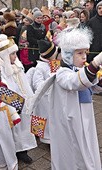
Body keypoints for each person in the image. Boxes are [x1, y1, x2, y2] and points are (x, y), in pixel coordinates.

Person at [32, 28, 102, 169]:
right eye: (79, 53)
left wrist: (99, 81)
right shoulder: (63, 73)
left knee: (87, 147)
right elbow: (75, 82)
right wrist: (95, 64)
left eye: (85, 53)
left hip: (84, 117)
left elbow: (91, 87)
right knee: (74, 154)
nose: (84, 57)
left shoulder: (76, 69)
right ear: (68, 54)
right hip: (71, 122)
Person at [0, 34, 37, 164]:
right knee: (15, 130)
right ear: (4, 56)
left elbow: (24, 83)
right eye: (12, 54)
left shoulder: (17, 66)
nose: (15, 56)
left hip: (24, 103)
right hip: (13, 106)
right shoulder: (1, 70)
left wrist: (30, 99)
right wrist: (15, 105)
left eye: (15, 53)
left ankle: (24, 150)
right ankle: (16, 151)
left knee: (25, 128)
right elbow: (4, 89)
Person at [31, 39, 60, 144]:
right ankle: (43, 137)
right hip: (44, 99)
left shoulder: (54, 63)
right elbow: (37, 84)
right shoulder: (40, 67)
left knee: (52, 118)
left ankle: (51, 136)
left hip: (53, 97)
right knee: (43, 117)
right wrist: (49, 87)